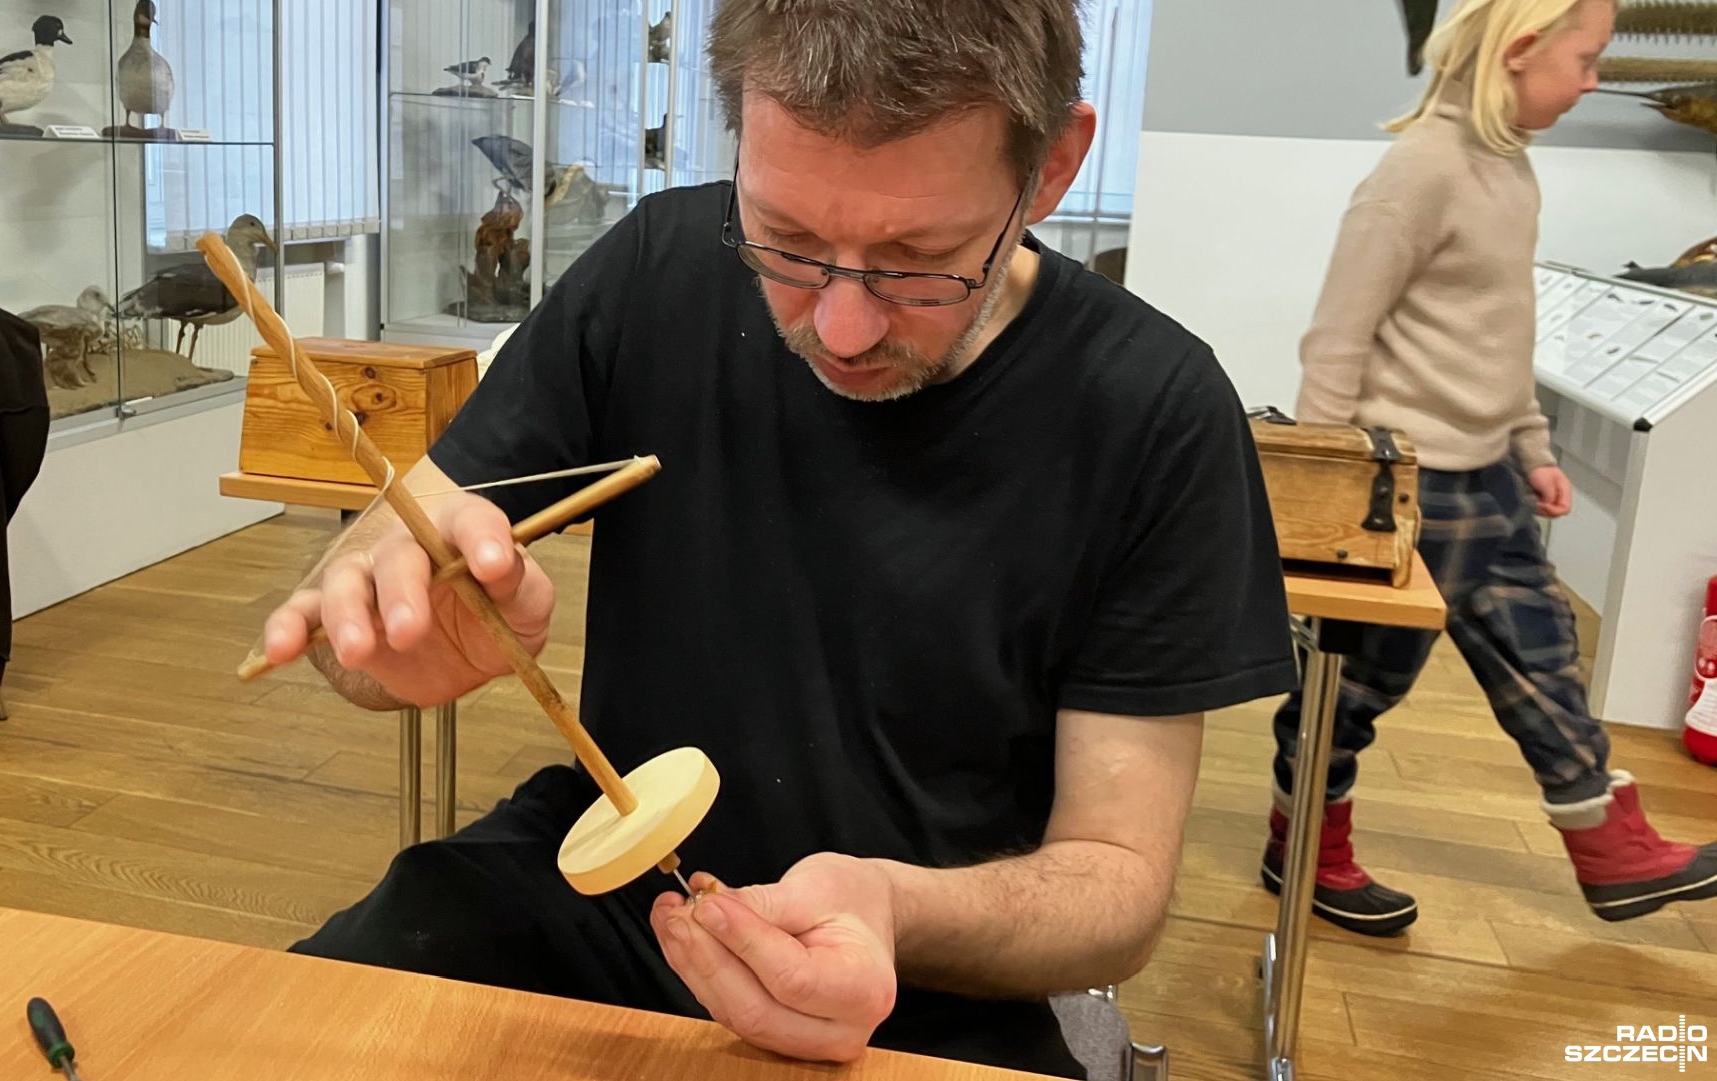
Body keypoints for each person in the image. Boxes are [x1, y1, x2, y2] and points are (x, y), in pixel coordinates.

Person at [267, 2, 1297, 1075]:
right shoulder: (655, 267)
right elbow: (373, 576)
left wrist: (891, 905)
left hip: (918, 973)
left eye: (919, 260)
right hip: (608, 890)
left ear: (1053, 169)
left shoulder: (1153, 409)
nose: (840, 328)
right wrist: (382, 633)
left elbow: (1116, 886)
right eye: (786, 240)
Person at [1264, 0, 1717, 937]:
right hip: (1407, 490)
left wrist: (1532, 447)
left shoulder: (1508, 168)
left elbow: (1503, 336)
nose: (1594, 80)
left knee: (1545, 658)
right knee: (1353, 686)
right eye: (1586, 60)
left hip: (1489, 483)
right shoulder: (1420, 171)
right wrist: (1330, 487)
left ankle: (1611, 847)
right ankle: (1301, 844)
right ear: (1519, 51)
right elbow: (1338, 339)